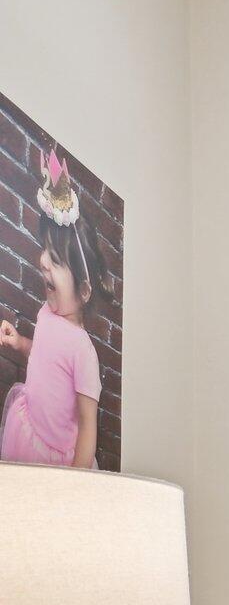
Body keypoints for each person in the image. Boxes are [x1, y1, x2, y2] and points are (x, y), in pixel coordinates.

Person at [1, 148, 106, 468]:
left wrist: (75, 481)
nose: (44, 262)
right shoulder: (47, 313)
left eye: (56, 260)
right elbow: (44, 357)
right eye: (46, 251)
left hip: (54, 458)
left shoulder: (83, 351)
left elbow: (88, 424)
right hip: (27, 427)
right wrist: (20, 343)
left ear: (84, 290)